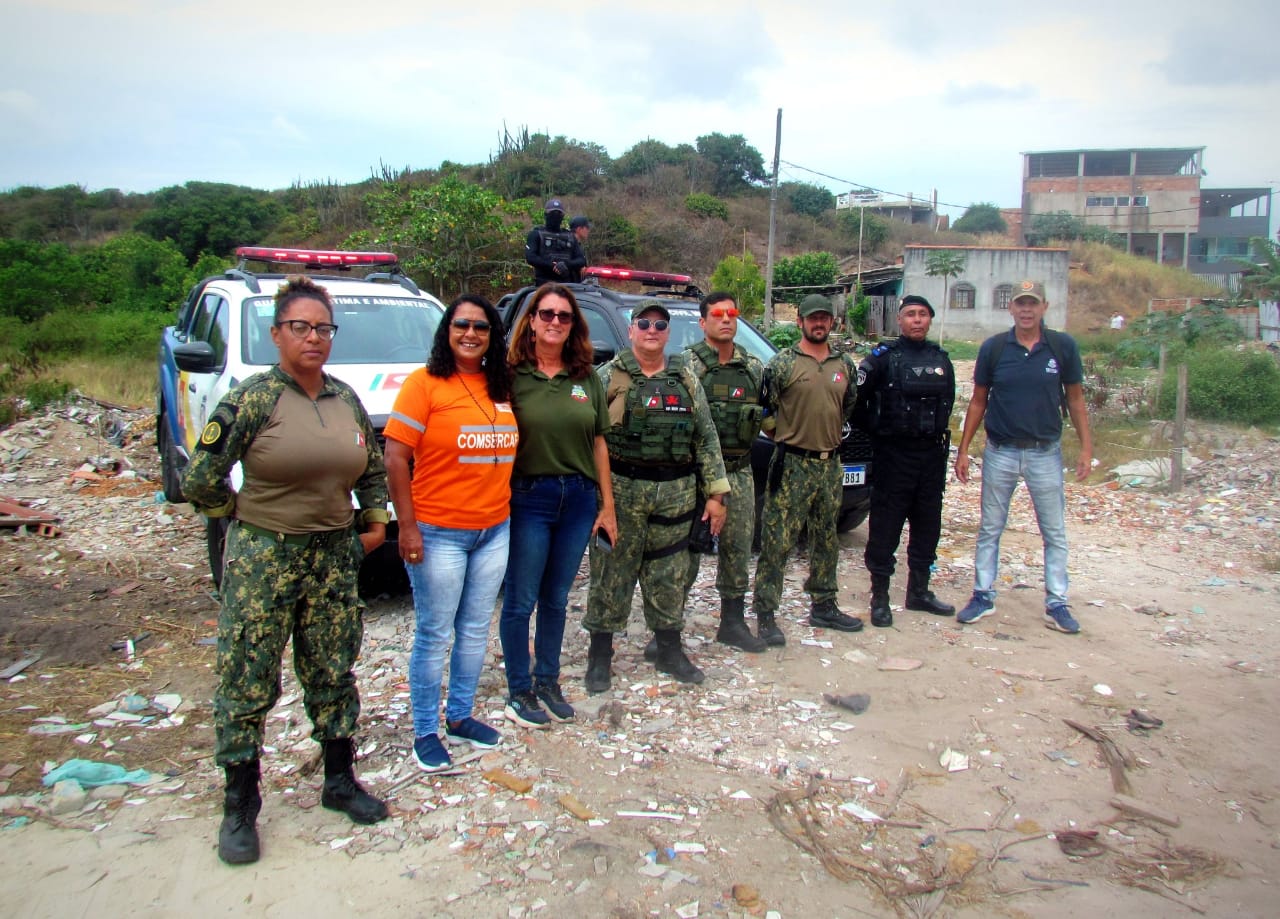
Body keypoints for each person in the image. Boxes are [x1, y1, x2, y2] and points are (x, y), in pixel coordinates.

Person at [182, 275, 390, 866]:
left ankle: (339, 780)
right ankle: (240, 806)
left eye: (324, 328)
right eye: (300, 327)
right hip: (263, 556)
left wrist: (374, 523)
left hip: (332, 554)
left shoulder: (345, 397)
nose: (314, 338)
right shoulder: (253, 398)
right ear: (277, 334)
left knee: (332, 666)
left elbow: (371, 467)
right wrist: (238, 515)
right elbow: (202, 476)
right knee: (248, 676)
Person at [384, 294, 518, 772]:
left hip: (493, 529)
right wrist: (408, 526)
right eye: (461, 325)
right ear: (446, 330)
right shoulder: (424, 384)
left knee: (475, 629)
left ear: (492, 336)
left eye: (481, 327)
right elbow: (396, 458)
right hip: (438, 531)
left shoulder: (500, 386)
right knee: (435, 632)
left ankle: (460, 715)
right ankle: (425, 729)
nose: (471, 334)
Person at [584, 299, 731, 691]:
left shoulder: (686, 378)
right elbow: (588, 439)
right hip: (621, 493)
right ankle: (600, 657)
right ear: (631, 331)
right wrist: (596, 501)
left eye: (660, 325)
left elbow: (706, 436)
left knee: (670, 575)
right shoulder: (607, 377)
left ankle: (668, 650)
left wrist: (716, 494)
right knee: (610, 574)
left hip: (676, 495)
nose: (652, 330)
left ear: (668, 334)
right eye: (644, 324)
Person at [500, 284, 618, 728]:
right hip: (529, 498)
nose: (554, 322)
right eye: (546, 314)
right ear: (530, 320)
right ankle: (519, 689)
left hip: (579, 500)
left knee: (556, 598)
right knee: (521, 598)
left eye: (564, 317)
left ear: (574, 326)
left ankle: (547, 680)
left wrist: (607, 506)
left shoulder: (586, 376)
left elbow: (600, 443)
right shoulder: (511, 376)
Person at [954, 279, 1093, 634]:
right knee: (990, 528)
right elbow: (979, 400)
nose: (1026, 310)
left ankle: (1057, 602)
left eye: (1033, 303)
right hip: (1000, 451)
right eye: (1020, 303)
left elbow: (1075, 399)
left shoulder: (1061, 347)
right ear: (1011, 308)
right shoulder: (994, 349)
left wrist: (1087, 449)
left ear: (1044, 307)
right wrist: (965, 449)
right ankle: (983, 594)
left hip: (1044, 453)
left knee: (1054, 531)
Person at [752, 294, 864, 644]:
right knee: (777, 542)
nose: (819, 324)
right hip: (792, 464)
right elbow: (764, 409)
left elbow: (847, 407)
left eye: (825, 319)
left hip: (829, 466)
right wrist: (782, 434)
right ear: (799, 321)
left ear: (833, 323)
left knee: (826, 538)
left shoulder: (844, 364)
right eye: (812, 318)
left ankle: (824, 603)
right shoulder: (782, 363)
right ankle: (767, 613)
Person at [855, 294, 956, 628]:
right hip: (893, 456)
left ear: (930, 320)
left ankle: (919, 591)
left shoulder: (941, 360)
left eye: (923, 314)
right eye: (910, 314)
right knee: (885, 529)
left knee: (928, 527)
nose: (917, 320)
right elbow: (856, 404)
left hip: (930, 458)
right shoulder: (882, 359)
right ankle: (880, 596)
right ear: (899, 320)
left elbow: (948, 403)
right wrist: (879, 434)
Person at [676, 291, 768, 652]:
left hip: (739, 471)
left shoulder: (754, 367)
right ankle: (668, 628)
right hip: (694, 476)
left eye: (732, 313)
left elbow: (767, 415)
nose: (727, 319)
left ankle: (732, 623)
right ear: (703, 323)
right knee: (686, 554)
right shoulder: (685, 366)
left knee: (738, 549)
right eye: (718, 314)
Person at [525, 198, 586, 287]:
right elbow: (531, 257)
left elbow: (581, 260)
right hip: (543, 285)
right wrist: (552, 265)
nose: (556, 216)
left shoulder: (570, 236)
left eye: (559, 213)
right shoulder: (535, 234)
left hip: (568, 285)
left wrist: (566, 264)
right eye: (552, 213)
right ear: (546, 214)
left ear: (563, 216)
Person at [569, 216, 592, 282]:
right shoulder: (569, 246)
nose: (588, 230)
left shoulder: (579, 246)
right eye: (587, 228)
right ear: (579, 229)